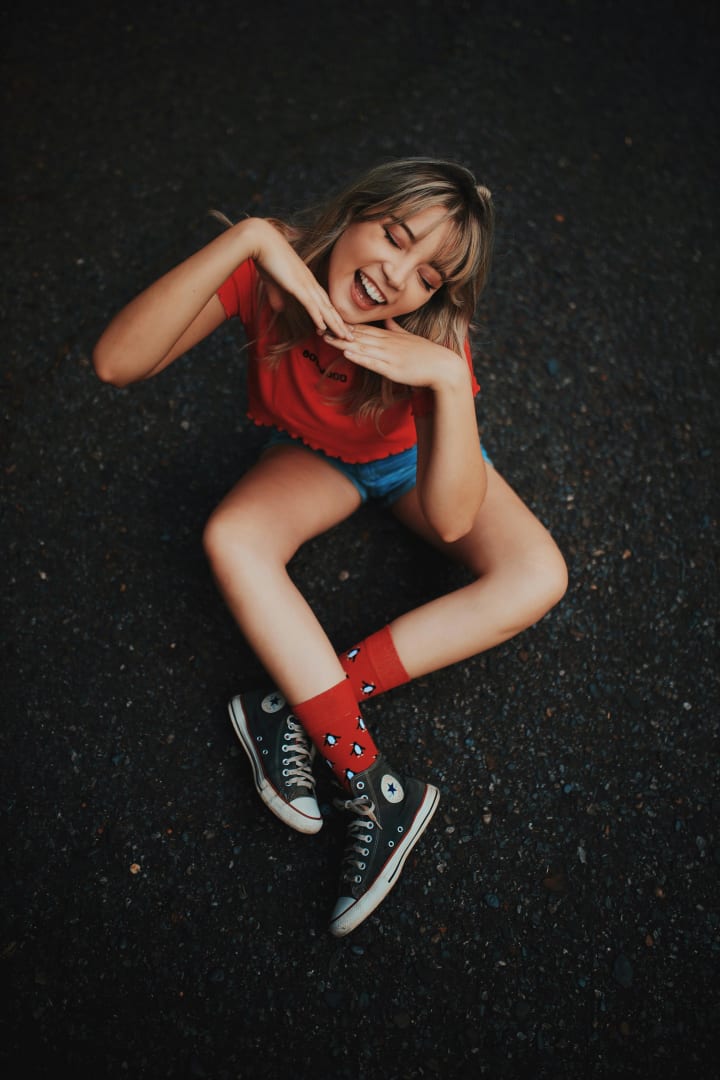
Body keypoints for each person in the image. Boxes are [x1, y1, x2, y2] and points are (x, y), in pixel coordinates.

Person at [93, 158, 567, 937]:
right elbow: (116, 362)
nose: (397, 277)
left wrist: (449, 380)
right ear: (355, 212)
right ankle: (374, 786)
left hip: (414, 461)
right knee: (232, 536)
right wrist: (249, 239)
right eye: (395, 237)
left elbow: (451, 519)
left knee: (539, 575)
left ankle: (297, 703)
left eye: (428, 276)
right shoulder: (267, 271)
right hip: (316, 459)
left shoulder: (429, 336)